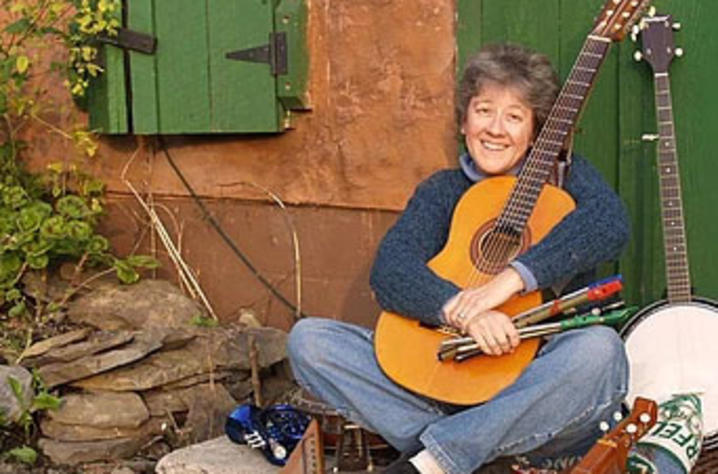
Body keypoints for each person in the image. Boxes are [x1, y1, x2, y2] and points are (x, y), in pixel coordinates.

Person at [287, 43, 630, 474]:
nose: (496, 129)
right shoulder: (443, 191)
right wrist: (464, 312)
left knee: (599, 350)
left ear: (535, 130)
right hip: (438, 378)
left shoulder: (565, 178)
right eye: (484, 110)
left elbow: (610, 223)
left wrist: (509, 281)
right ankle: (476, 452)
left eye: (515, 116)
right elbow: (392, 268)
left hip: (530, 390)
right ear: (465, 120)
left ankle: (434, 461)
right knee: (310, 341)